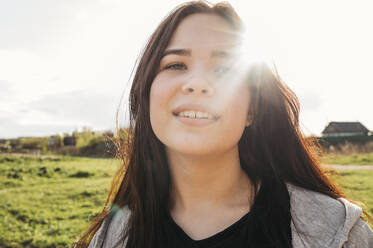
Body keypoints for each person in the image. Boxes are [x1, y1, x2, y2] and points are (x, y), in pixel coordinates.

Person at [74, 1, 373, 247]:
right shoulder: (112, 237)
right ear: (146, 96)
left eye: (225, 69)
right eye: (176, 65)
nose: (198, 83)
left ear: (251, 111)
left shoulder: (340, 233)